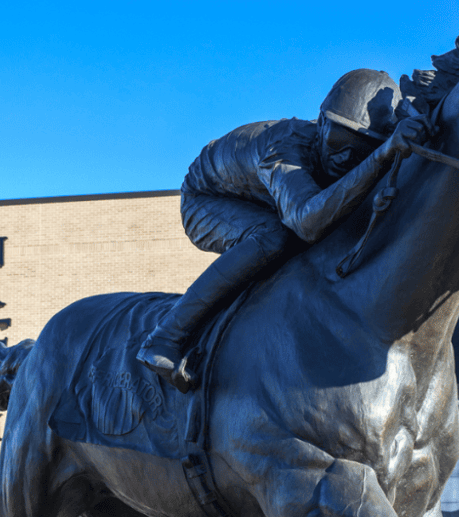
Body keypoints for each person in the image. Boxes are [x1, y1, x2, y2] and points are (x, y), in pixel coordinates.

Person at [137, 68, 431, 391]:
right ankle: (165, 337)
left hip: (265, 199)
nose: (344, 155)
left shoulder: (342, 155)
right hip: (204, 198)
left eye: (359, 149)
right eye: (337, 138)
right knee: (273, 237)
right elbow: (306, 222)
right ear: (320, 123)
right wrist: (380, 156)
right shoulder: (283, 150)